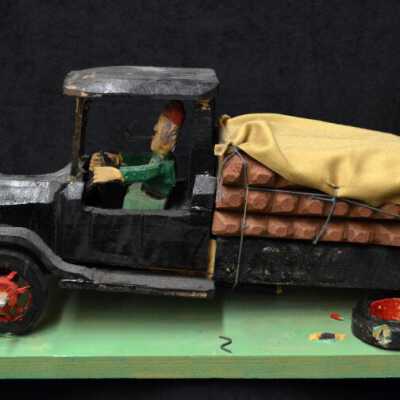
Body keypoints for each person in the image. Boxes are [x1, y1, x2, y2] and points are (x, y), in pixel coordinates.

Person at [90, 101, 185, 209]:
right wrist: (120, 159)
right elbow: (142, 159)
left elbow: (147, 171)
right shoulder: (158, 156)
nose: (154, 129)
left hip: (152, 203)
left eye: (156, 132)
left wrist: (118, 174)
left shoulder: (166, 164)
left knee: (129, 202)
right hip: (144, 189)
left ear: (169, 140)